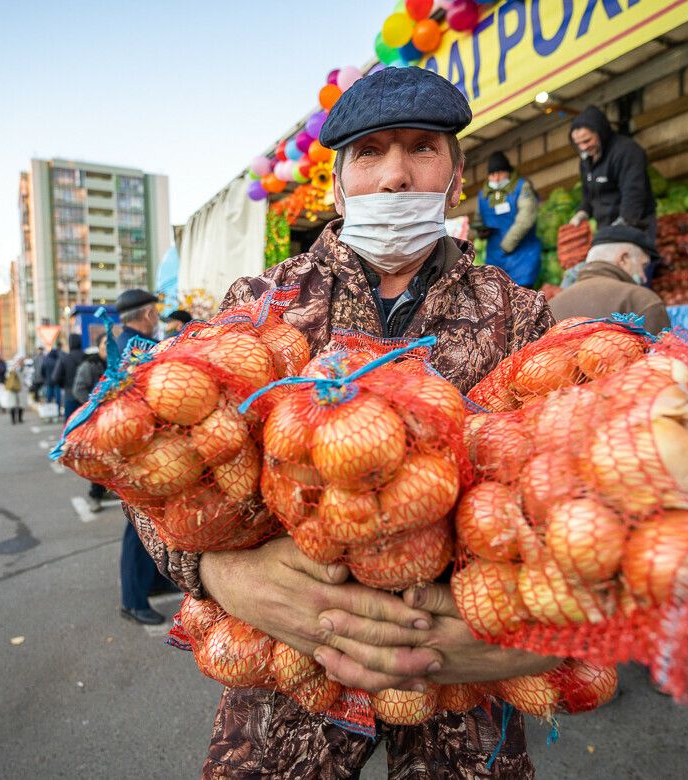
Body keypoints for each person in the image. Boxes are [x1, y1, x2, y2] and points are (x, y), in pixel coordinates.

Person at [128, 67, 556, 776]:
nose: (395, 175)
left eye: (422, 148)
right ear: (337, 181)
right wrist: (210, 570)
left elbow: (572, 489)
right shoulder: (261, 307)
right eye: (369, 152)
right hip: (288, 670)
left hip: (460, 681)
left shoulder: (521, 317)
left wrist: (535, 627)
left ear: (456, 174)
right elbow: (153, 465)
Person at [110, 288, 178, 624]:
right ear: (148, 314)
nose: (157, 320)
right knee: (140, 525)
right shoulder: (138, 350)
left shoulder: (121, 343)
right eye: (155, 313)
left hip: (138, 448)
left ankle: (150, 583)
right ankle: (132, 601)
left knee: (150, 523)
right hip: (142, 450)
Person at [548, 224, 671, 335]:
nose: (644, 278)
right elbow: (663, 357)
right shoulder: (642, 300)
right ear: (624, 259)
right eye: (643, 266)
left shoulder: (550, 307)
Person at [568, 106, 658, 246]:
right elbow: (588, 193)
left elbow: (633, 193)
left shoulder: (626, 151)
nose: (583, 147)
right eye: (578, 144)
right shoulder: (586, 160)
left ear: (600, 132)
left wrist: (622, 227)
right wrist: (583, 212)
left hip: (635, 228)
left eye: (587, 141)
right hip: (605, 229)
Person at [472, 150, 542, 287]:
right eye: (492, 175)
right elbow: (477, 220)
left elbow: (526, 219)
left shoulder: (522, 187)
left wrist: (507, 245)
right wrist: (479, 233)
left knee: (523, 298)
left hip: (522, 256)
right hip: (494, 259)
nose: (496, 178)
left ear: (508, 172)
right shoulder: (483, 194)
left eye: (500, 173)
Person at [73, 333, 110, 512]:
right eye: (105, 343)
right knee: (98, 460)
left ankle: (106, 489)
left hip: (114, 420)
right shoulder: (89, 366)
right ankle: (95, 495)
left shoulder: (118, 363)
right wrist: (94, 405)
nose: (109, 347)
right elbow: (78, 389)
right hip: (96, 419)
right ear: (99, 346)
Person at [51, 333, 86, 421]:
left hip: (69, 395)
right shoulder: (87, 357)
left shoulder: (64, 358)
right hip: (86, 397)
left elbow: (55, 377)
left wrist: (63, 385)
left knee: (70, 427)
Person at [40, 342, 62, 409]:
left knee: (48, 396)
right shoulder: (57, 360)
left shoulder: (46, 360)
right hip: (56, 381)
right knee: (57, 397)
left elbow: (42, 370)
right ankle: (57, 409)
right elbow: (60, 371)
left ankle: (49, 409)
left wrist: (45, 378)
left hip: (48, 381)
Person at [3, 360, 25, 424]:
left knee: (20, 404)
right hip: (14, 388)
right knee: (14, 404)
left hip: (17, 388)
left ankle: (18, 419)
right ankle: (15, 419)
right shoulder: (14, 369)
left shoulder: (21, 368)